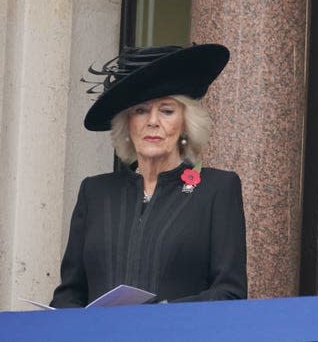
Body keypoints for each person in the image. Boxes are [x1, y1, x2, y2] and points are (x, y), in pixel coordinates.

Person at [51, 44, 247, 306]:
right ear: (127, 123)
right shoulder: (95, 192)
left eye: (166, 111)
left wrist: (160, 315)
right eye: (141, 110)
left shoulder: (217, 189)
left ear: (185, 124)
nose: (152, 121)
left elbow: (229, 292)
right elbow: (69, 294)